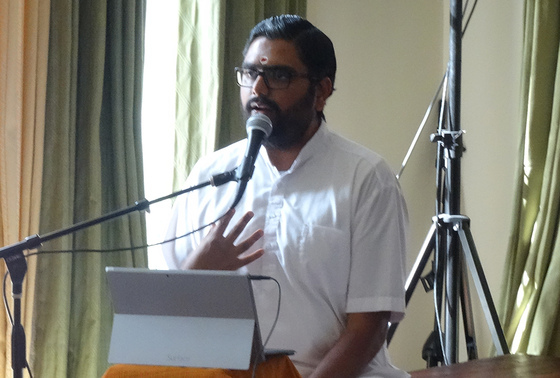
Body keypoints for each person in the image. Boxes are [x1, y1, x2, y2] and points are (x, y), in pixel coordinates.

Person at [163, 14, 409, 378]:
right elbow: (165, 312)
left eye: (278, 76)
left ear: (321, 91)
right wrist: (197, 271)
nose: (258, 89)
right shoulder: (210, 174)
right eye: (249, 74)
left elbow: (368, 329)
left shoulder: (366, 179)